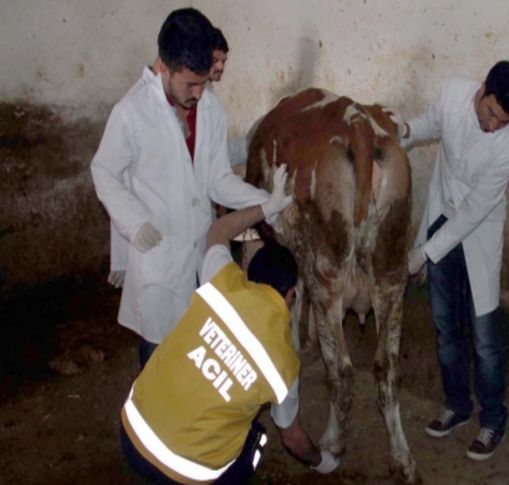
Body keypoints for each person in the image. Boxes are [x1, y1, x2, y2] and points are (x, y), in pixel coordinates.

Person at [91, 8, 292, 368]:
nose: (199, 93)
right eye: (190, 84)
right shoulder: (131, 113)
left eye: (204, 82)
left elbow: (217, 180)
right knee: (158, 362)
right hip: (159, 260)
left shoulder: (209, 107)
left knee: (198, 360)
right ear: (164, 68)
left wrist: (266, 200)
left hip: (200, 252)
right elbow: (103, 170)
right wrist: (133, 222)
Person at [119, 203, 339, 483]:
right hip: (181, 476)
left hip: (131, 433)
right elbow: (292, 439)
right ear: (291, 294)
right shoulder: (284, 364)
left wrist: (266, 207)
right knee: (256, 438)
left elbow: (219, 230)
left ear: (249, 274)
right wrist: (320, 461)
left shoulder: (221, 280)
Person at [399, 60, 509, 461]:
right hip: (442, 212)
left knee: (485, 337)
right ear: (482, 87)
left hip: (477, 233)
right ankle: (457, 405)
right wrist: (404, 131)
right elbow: (430, 125)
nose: (493, 125)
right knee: (444, 326)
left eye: (503, 121)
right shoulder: (454, 91)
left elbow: (474, 212)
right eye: (491, 113)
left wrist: (423, 252)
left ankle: (493, 419)